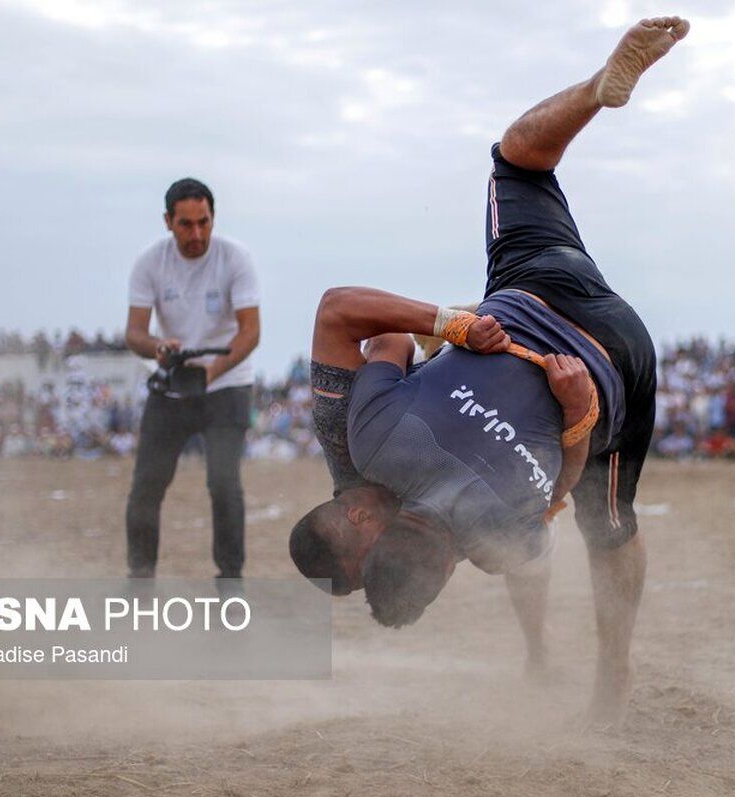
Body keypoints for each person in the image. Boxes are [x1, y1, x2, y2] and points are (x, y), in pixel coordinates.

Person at [290, 17, 689, 726]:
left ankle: (600, 87)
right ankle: (560, 659)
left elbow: (351, 320)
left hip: (568, 327)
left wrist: (455, 328)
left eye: (366, 564)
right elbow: (538, 503)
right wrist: (573, 418)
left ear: (357, 518)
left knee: (517, 159)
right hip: (585, 349)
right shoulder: (402, 474)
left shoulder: (353, 442)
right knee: (554, 532)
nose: (383, 569)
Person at [124, 178, 261, 579]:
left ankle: (230, 583)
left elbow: (251, 332)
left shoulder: (235, 259)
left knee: (223, 484)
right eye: (186, 224)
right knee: (147, 485)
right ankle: (140, 578)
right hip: (170, 384)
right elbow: (133, 333)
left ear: (213, 217)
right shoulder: (149, 263)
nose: (197, 234)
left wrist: (211, 372)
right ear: (167, 221)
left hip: (227, 382)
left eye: (204, 222)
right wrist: (158, 348)